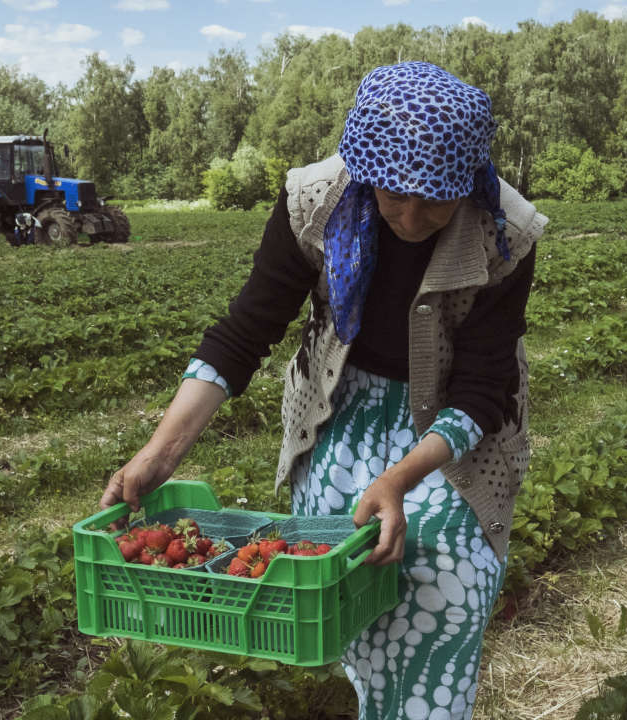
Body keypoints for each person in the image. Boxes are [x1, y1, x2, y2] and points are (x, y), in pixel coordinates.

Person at [99, 61, 547, 719]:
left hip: (451, 440)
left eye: (434, 198)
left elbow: (485, 388)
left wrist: (399, 481)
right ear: (365, 167)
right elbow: (244, 332)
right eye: (394, 193)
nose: (412, 215)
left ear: (469, 181)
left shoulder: (503, 231)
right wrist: (159, 456)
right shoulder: (316, 201)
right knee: (351, 598)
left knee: (444, 595)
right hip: (341, 413)